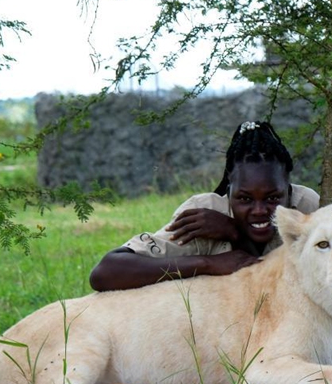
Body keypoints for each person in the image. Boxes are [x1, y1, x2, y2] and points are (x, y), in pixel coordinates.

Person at [89, 120, 320, 291]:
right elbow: (106, 273)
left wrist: (235, 233)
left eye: (272, 198)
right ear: (230, 186)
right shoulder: (204, 213)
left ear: (288, 187)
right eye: (244, 199)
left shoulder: (306, 208)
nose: (259, 210)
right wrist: (207, 263)